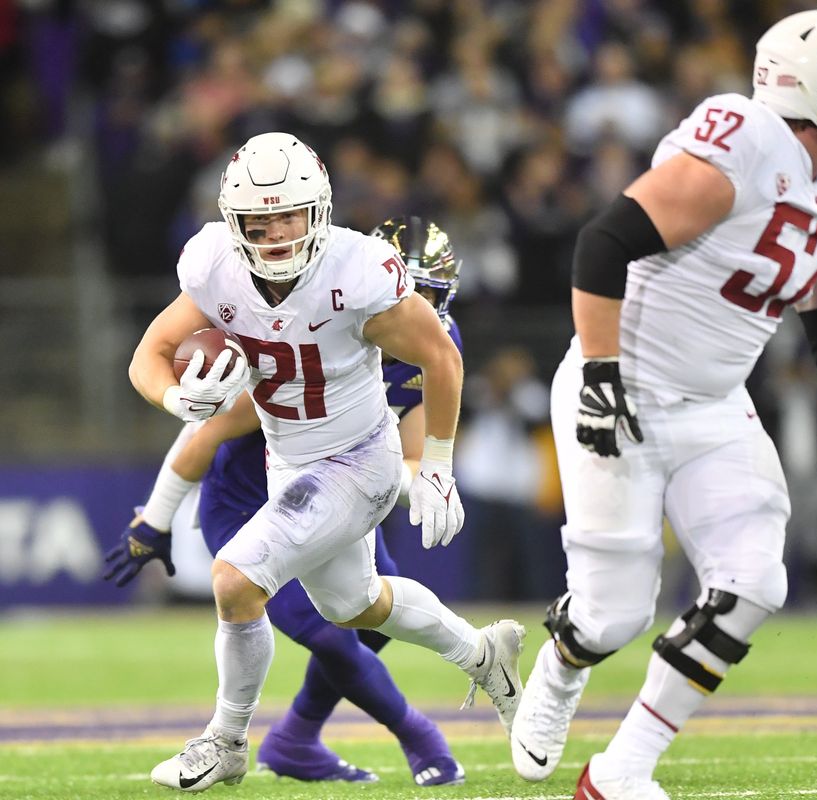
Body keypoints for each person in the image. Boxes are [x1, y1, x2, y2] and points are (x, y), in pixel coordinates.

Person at [509, 11, 817, 800]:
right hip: (622, 386)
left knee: (754, 580)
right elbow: (603, 242)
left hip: (713, 403)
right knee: (614, 618)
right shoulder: (744, 142)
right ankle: (563, 664)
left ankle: (621, 769)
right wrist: (601, 369)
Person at [124, 132, 525, 793]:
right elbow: (149, 351)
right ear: (234, 221)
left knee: (234, 580)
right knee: (358, 606)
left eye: (290, 213)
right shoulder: (214, 266)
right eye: (260, 218)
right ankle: (483, 656)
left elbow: (442, 359)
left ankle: (226, 740)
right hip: (289, 461)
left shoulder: (359, 269)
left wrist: (438, 465)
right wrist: (175, 396)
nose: (277, 231)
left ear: (320, 210)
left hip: (358, 459)